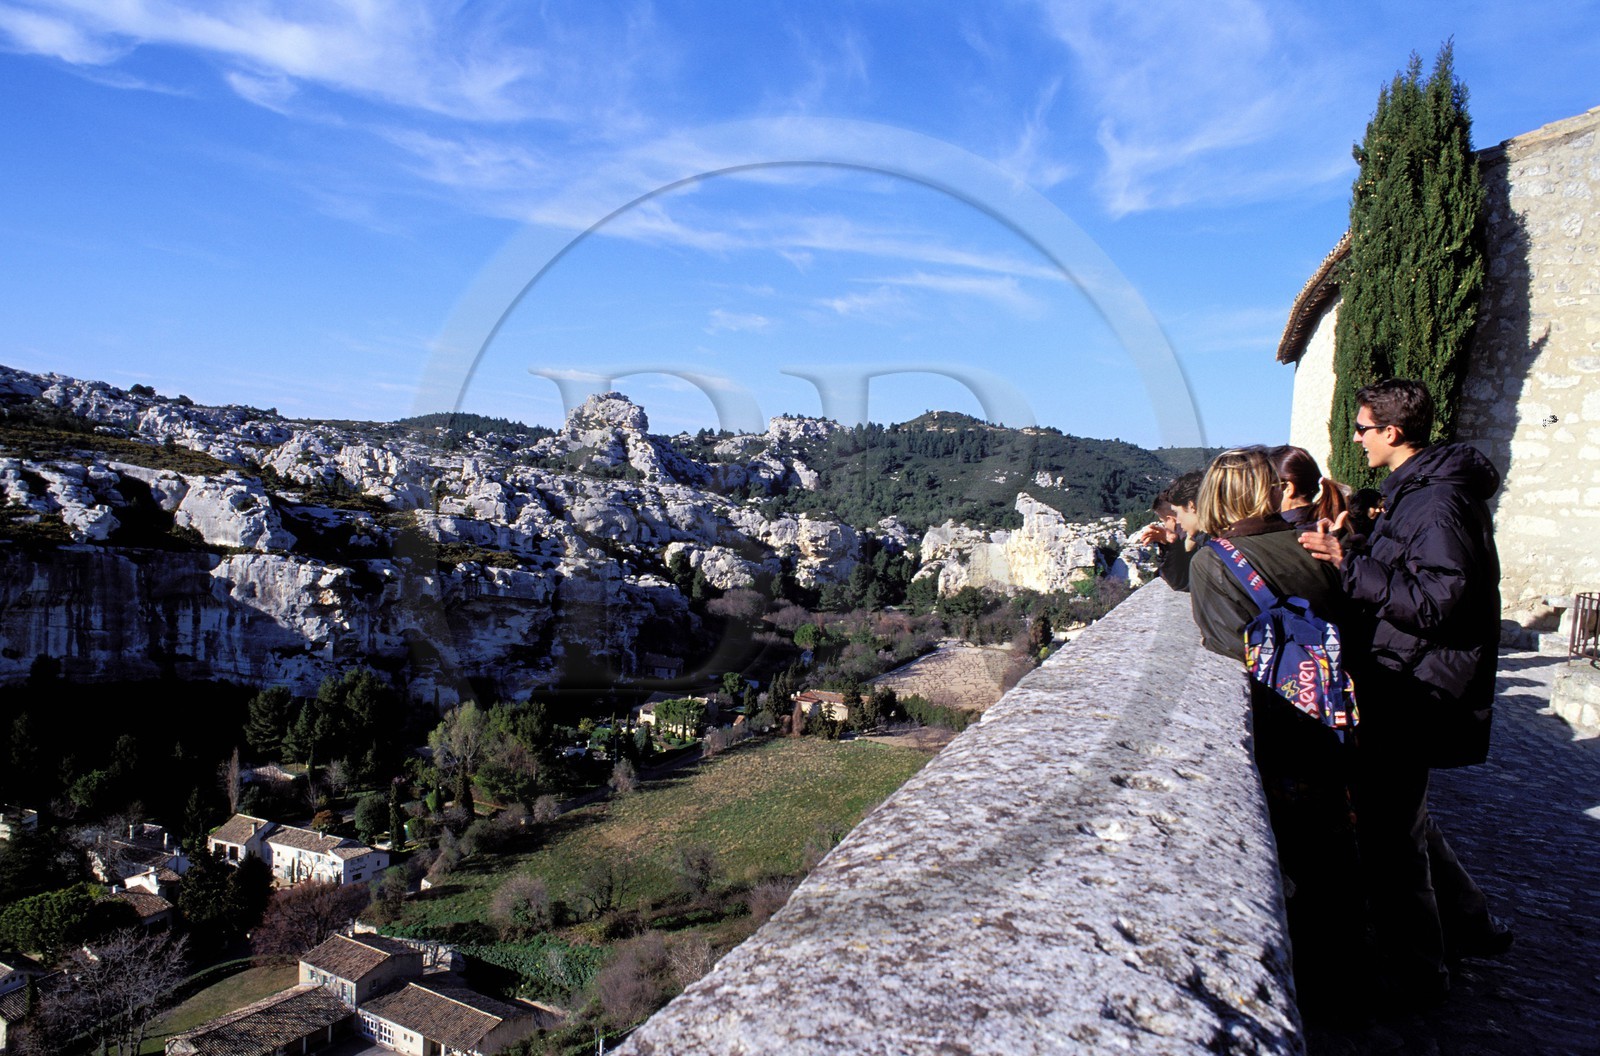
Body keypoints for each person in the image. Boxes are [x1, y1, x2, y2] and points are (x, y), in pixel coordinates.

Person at [1299, 378, 1511, 1007]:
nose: (1357, 438)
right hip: (1408, 679)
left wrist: (1346, 562)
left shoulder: (1434, 504)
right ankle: (1471, 925)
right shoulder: (1419, 496)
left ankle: (1421, 977)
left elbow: (1437, 601)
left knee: (1392, 839)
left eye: (1363, 428)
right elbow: (1413, 574)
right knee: (1406, 821)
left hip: (1416, 687)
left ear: (1392, 433)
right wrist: (1360, 543)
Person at [1187, 448, 1364, 1015]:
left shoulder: (1215, 561)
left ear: (1217, 496)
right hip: (1332, 713)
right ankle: (1352, 977)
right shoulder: (1311, 542)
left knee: (1292, 859)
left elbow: (1225, 650)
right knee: (1336, 851)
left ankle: (1312, 992)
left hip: (1277, 723)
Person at [1136, 470, 1203, 592]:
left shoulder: (1207, 544)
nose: (1179, 519)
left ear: (1192, 507)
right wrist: (1170, 544)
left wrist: (1172, 545)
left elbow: (1181, 581)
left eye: (1178, 513)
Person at [1267, 445, 1348, 530]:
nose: (1262, 494)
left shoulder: (1287, 533)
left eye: (1266, 486)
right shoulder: (1326, 524)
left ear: (1288, 488)